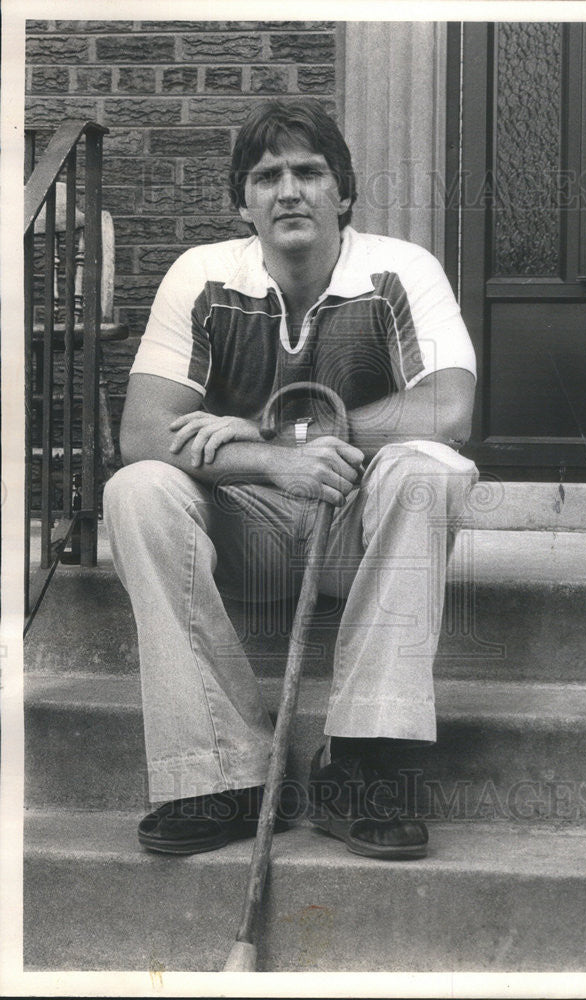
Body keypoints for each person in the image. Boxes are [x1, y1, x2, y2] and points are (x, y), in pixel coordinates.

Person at [103, 99, 478, 861]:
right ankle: (221, 772)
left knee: (428, 469)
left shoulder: (401, 268)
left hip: (355, 532)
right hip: (249, 536)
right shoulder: (202, 275)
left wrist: (283, 433)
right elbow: (141, 432)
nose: (289, 191)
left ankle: (360, 762)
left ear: (342, 191)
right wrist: (273, 463)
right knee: (137, 488)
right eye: (266, 176)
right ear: (242, 202)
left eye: (308, 172)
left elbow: (448, 407)